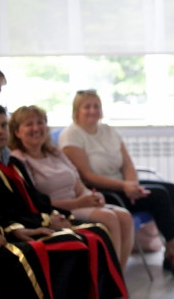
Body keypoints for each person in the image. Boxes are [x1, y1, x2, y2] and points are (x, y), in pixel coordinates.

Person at [0, 102, 137, 299]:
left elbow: (35, 199)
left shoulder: (10, 162)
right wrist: (43, 221)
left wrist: (55, 215)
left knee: (97, 232)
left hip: (34, 219)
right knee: (75, 241)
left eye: (3, 125)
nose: (0, 131)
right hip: (13, 230)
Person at [58, 90, 174, 278]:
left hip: (123, 184)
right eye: (87, 107)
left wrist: (132, 185)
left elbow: (127, 163)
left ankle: (170, 253)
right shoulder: (71, 135)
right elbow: (87, 176)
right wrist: (124, 187)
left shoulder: (107, 130)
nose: (93, 110)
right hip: (101, 190)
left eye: (96, 106)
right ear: (77, 110)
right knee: (159, 196)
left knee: (171, 188)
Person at [9, 105, 135, 271]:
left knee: (124, 216)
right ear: (17, 132)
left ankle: (118, 274)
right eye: (29, 124)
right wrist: (78, 203)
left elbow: (78, 183)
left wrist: (92, 196)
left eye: (40, 122)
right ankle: (112, 279)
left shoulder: (55, 153)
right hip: (57, 210)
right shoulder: (18, 160)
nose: (36, 128)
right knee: (109, 217)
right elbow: (36, 201)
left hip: (79, 203)